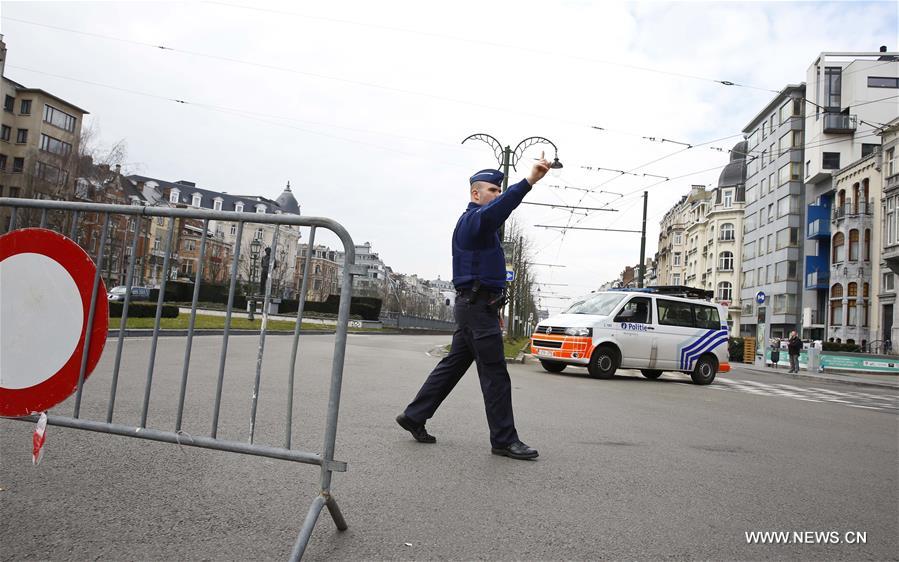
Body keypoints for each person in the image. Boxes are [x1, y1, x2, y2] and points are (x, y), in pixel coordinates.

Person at [396, 154, 552, 460]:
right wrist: (529, 181)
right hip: (476, 308)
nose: (496, 196)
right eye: (492, 191)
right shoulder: (474, 222)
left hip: (478, 307)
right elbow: (497, 211)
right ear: (475, 194)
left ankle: (415, 415)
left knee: (453, 365)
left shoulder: (482, 227)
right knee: (494, 373)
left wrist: (497, 310)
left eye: (498, 191)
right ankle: (504, 440)